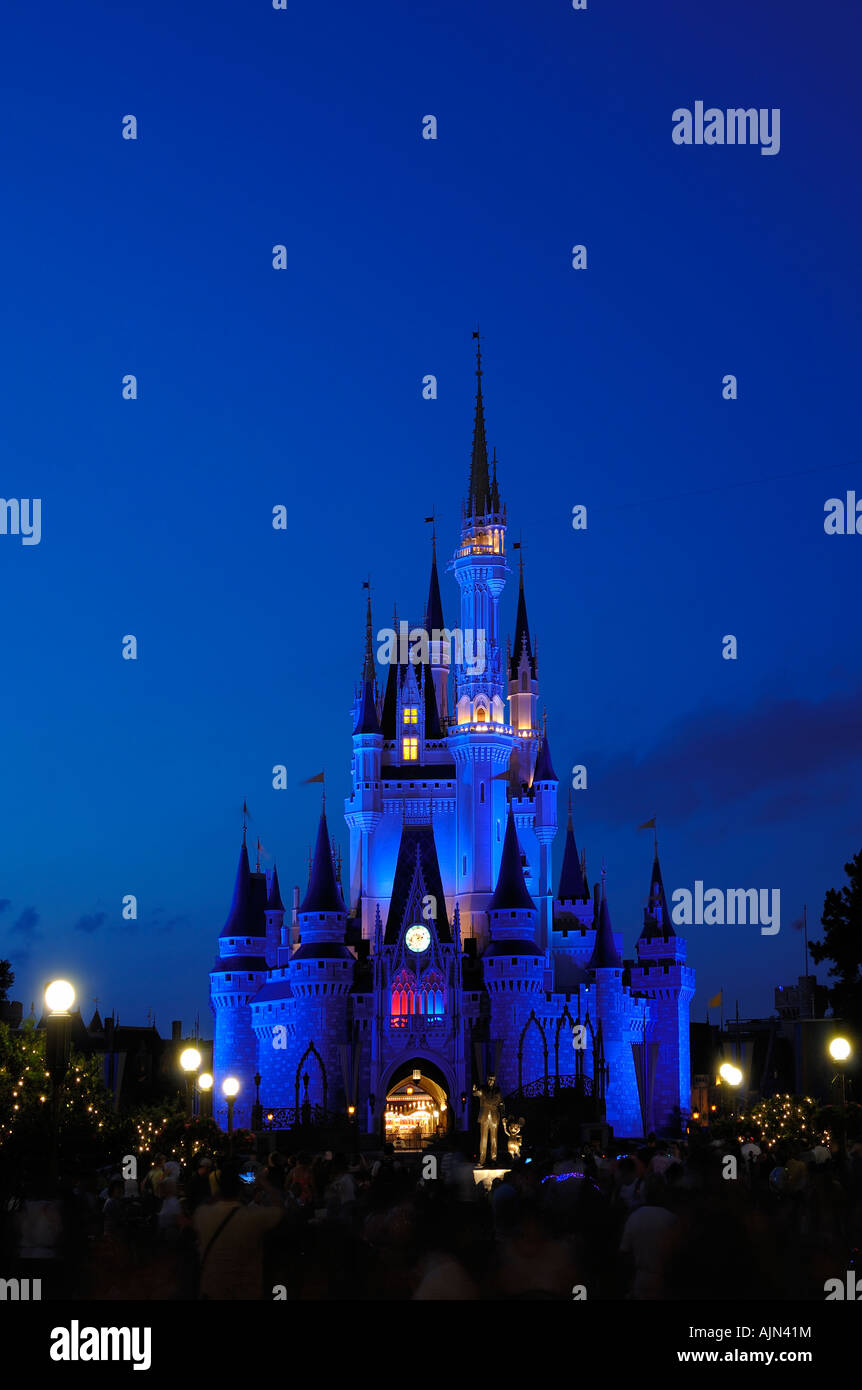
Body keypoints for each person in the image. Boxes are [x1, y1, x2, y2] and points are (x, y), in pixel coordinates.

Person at [193, 1159, 283, 1299]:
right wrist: (264, 1183)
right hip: (245, 1291)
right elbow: (279, 1208)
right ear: (240, 1188)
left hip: (211, 1290)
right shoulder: (254, 1217)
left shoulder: (201, 1214)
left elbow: (207, 1202)